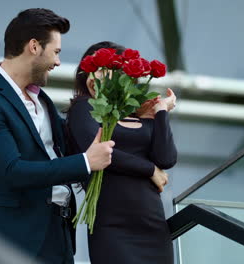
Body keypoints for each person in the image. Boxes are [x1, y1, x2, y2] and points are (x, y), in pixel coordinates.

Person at [0, 9, 114, 264]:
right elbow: (13, 171)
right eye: (56, 52)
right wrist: (86, 163)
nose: (58, 62)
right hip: (19, 241)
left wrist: (105, 97)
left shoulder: (41, 99)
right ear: (34, 47)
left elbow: (72, 143)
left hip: (61, 233)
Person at [66, 41, 178, 264]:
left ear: (123, 75)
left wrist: (161, 113)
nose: (94, 76)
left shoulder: (142, 117)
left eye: (102, 69)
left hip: (152, 224)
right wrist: (149, 170)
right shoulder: (84, 108)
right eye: (91, 70)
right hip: (112, 225)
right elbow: (99, 152)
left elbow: (166, 159)